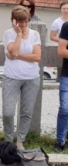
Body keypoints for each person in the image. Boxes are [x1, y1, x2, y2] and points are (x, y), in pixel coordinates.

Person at [2, 5, 41, 150]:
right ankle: (8, 140)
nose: (23, 25)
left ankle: (20, 141)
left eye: (25, 21)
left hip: (31, 78)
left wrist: (18, 56)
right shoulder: (8, 33)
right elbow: (12, 50)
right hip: (12, 76)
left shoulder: (35, 34)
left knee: (26, 112)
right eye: (20, 21)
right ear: (14, 21)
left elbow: (37, 57)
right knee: (8, 112)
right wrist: (18, 35)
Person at [55, 19, 68, 152]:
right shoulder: (66, 26)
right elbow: (62, 51)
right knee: (64, 108)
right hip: (67, 75)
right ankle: (60, 141)